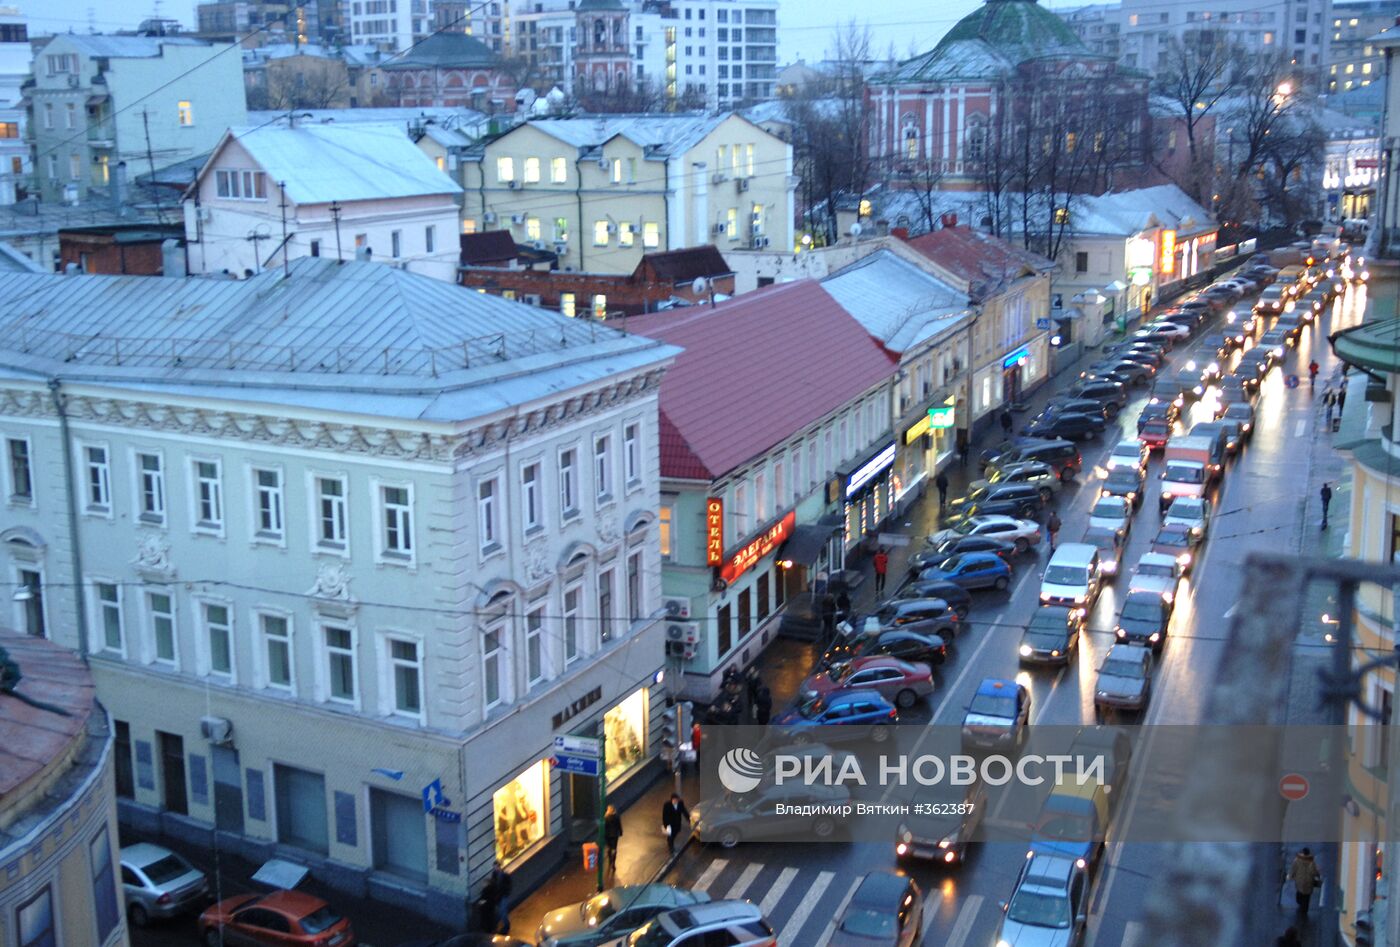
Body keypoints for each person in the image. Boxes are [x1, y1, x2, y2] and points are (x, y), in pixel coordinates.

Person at [1288, 848, 1322, 917]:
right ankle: (1304, 911)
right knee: (1307, 897)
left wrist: (1290, 876)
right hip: (1309, 882)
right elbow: (1314, 872)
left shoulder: (1297, 860)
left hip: (1299, 881)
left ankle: (1300, 903)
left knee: (1299, 893)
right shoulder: (1311, 862)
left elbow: (1293, 869)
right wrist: (1318, 875)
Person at [484, 860, 512, 933]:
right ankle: (497, 926)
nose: (495, 869)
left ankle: (506, 926)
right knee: (499, 911)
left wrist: (504, 891)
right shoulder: (494, 874)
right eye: (494, 867)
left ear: (499, 867)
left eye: (496, 867)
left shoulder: (505, 875)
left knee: (503, 911)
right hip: (498, 896)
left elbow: (508, 886)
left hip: (503, 896)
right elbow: (494, 884)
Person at [603, 805, 623, 872]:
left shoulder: (606, 817)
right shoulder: (616, 817)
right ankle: (613, 864)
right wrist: (620, 832)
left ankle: (610, 861)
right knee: (614, 849)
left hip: (607, 835)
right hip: (615, 835)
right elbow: (619, 825)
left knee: (609, 847)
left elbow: (604, 827)